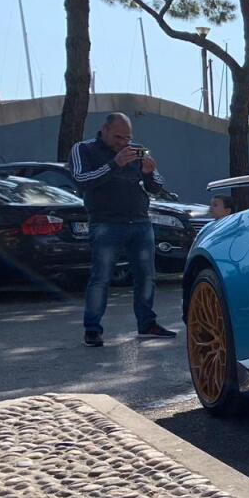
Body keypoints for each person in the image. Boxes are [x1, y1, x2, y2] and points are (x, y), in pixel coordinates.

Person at [72, 112, 178, 347]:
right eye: (118, 137)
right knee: (101, 277)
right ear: (105, 130)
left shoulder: (137, 150)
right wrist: (114, 164)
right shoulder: (84, 149)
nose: (124, 143)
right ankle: (92, 329)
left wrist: (150, 172)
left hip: (139, 221)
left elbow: (157, 187)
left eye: (128, 138)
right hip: (106, 222)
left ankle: (147, 323)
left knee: (146, 276)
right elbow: (81, 179)